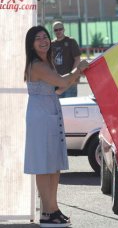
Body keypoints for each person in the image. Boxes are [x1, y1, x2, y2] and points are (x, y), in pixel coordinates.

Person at [24, 26, 89, 227]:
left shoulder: (47, 61)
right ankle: (47, 211)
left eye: (45, 36)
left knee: (54, 164)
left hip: (50, 110)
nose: (43, 40)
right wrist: (77, 70)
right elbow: (61, 81)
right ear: (31, 44)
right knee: (44, 165)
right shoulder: (36, 64)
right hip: (41, 116)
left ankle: (52, 208)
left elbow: (60, 87)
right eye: (38, 38)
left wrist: (75, 75)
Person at [51, 21, 81, 98]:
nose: (58, 31)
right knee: (58, 107)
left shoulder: (71, 41)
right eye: (56, 30)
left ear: (64, 30)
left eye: (60, 29)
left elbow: (77, 59)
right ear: (53, 31)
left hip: (70, 82)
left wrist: (73, 75)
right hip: (57, 82)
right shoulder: (51, 44)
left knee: (69, 106)